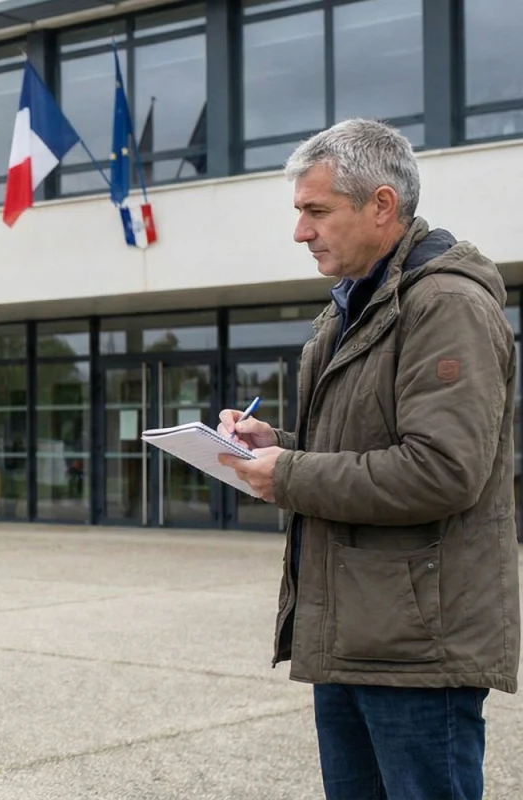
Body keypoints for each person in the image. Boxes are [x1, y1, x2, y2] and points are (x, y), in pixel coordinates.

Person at [217, 119, 518, 800]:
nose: (300, 232)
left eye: (315, 211)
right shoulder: (349, 309)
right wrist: (278, 448)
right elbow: (358, 453)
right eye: (300, 212)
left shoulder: (445, 305)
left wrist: (288, 476)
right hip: (354, 633)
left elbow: (441, 471)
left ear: (381, 205)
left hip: (418, 650)